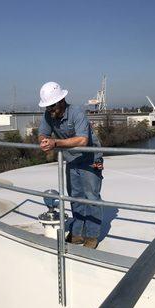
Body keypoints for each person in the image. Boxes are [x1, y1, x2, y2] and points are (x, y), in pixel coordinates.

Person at [38, 81, 103, 249]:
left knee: (91, 197)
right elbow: (42, 133)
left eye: (52, 107)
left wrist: (55, 142)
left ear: (61, 101)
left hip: (90, 158)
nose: (50, 111)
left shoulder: (77, 112)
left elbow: (83, 140)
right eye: (47, 107)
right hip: (72, 159)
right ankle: (77, 233)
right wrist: (44, 142)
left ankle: (92, 235)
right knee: (75, 197)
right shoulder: (48, 115)